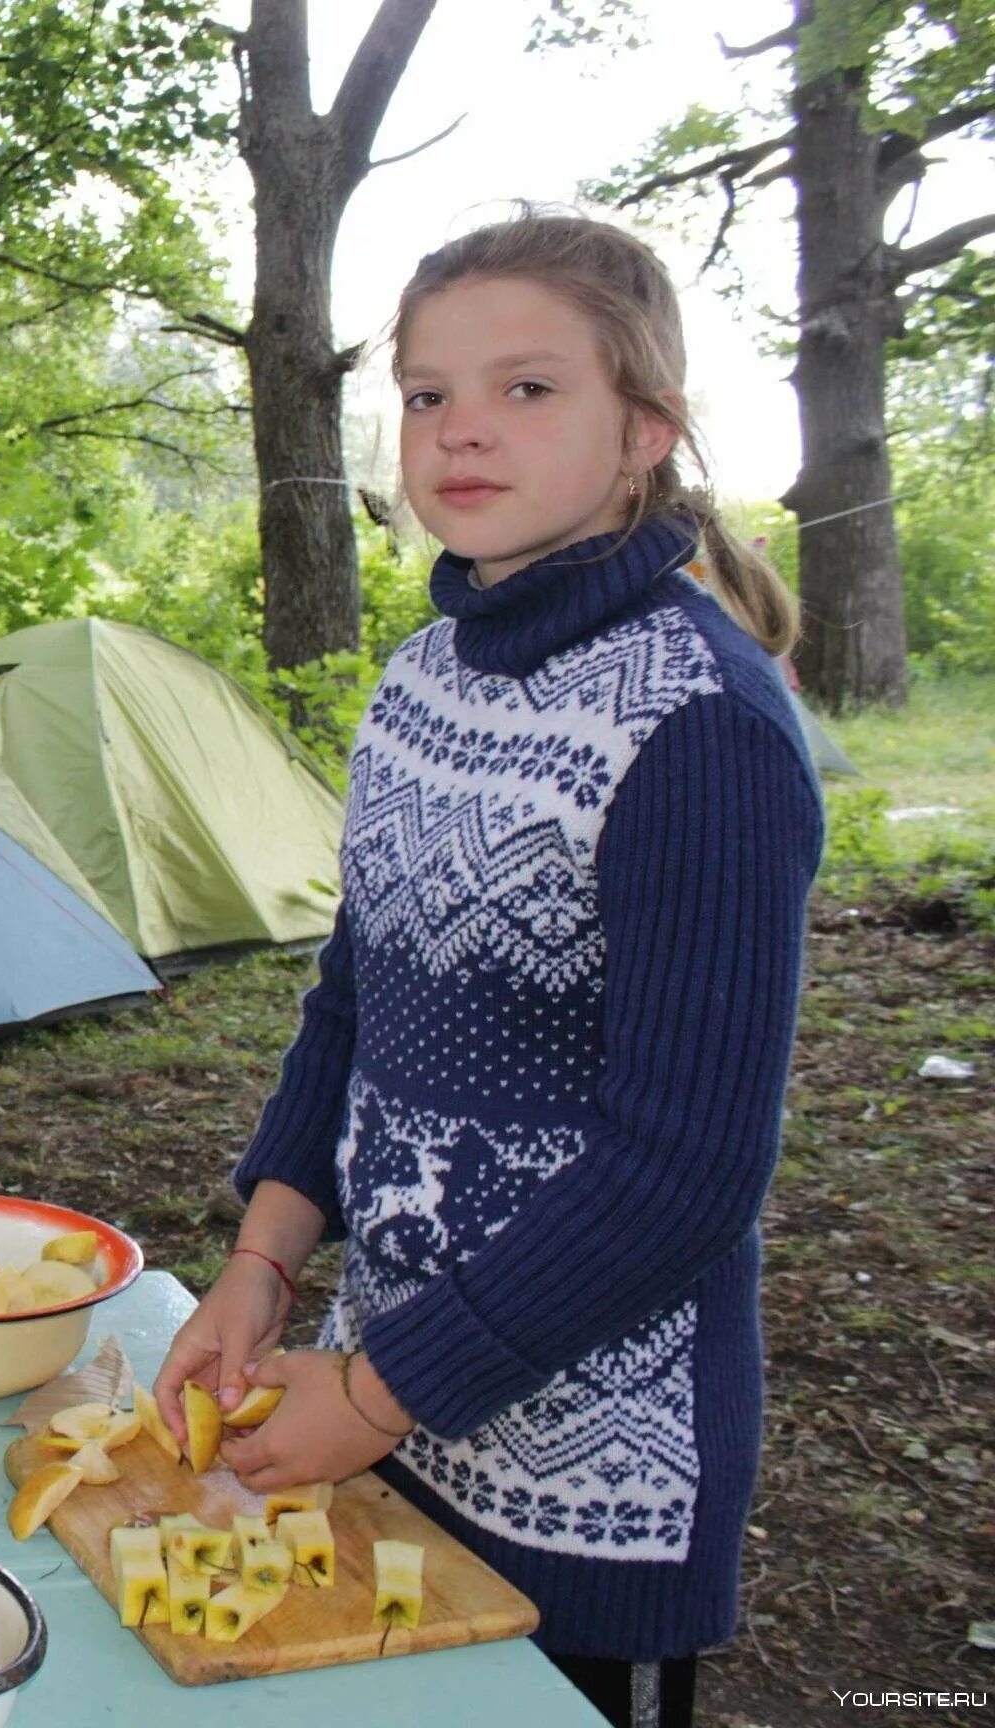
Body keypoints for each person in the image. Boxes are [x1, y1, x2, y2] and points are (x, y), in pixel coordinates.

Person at [150, 213, 821, 1728]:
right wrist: (262, 1268)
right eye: (428, 393)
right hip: (379, 1401)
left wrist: (379, 1393)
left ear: (644, 428)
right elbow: (353, 998)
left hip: (597, 1476)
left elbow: (689, 1172)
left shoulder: (696, 726)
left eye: (527, 390)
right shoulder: (419, 679)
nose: (460, 432)